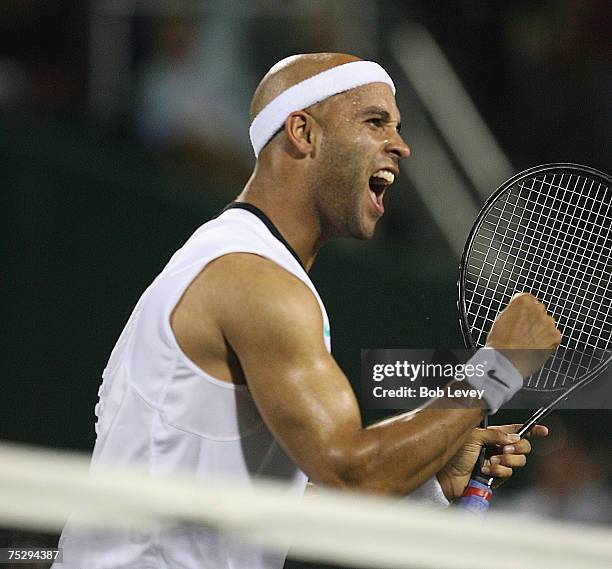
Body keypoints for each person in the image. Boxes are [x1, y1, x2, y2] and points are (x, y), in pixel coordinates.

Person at [54, 53, 561, 569]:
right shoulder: (253, 281)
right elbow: (352, 473)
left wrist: (425, 479)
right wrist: (498, 366)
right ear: (302, 132)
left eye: (398, 126)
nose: (401, 145)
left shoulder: (238, 261)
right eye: (375, 121)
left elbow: (271, 511)